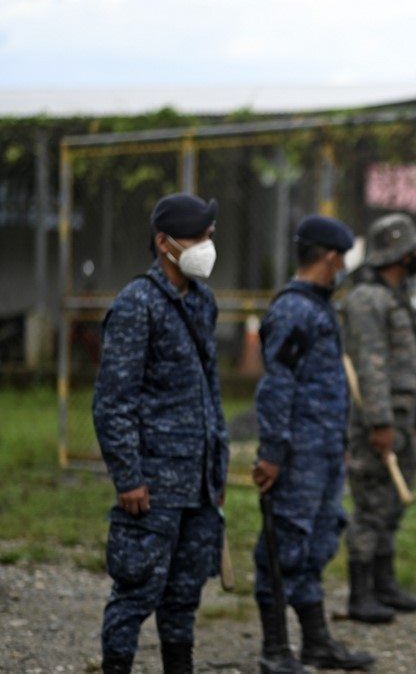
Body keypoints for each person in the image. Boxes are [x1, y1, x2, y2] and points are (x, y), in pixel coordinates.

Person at [93, 193, 229, 674]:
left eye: (209, 236)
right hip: (152, 485)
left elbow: (210, 392)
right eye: (197, 237)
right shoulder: (137, 305)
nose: (207, 245)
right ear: (164, 243)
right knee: (135, 593)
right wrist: (128, 475)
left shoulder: (203, 301)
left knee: (183, 597)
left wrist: (217, 469)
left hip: (197, 484)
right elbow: (113, 401)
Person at [252, 215, 374, 672]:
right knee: (282, 549)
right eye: (341, 258)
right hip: (296, 454)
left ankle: (316, 643)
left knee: (318, 544)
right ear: (330, 258)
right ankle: (275, 650)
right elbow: (276, 387)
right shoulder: (293, 310)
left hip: (323, 453)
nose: (343, 266)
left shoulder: (319, 305)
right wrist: (272, 454)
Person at [342, 213, 416, 624]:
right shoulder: (367, 298)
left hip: (400, 421)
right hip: (375, 425)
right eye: (412, 249)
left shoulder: (397, 294)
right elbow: (370, 365)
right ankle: (361, 594)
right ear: (397, 253)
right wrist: (379, 422)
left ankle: (384, 584)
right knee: (371, 505)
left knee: (393, 503)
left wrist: (413, 419)